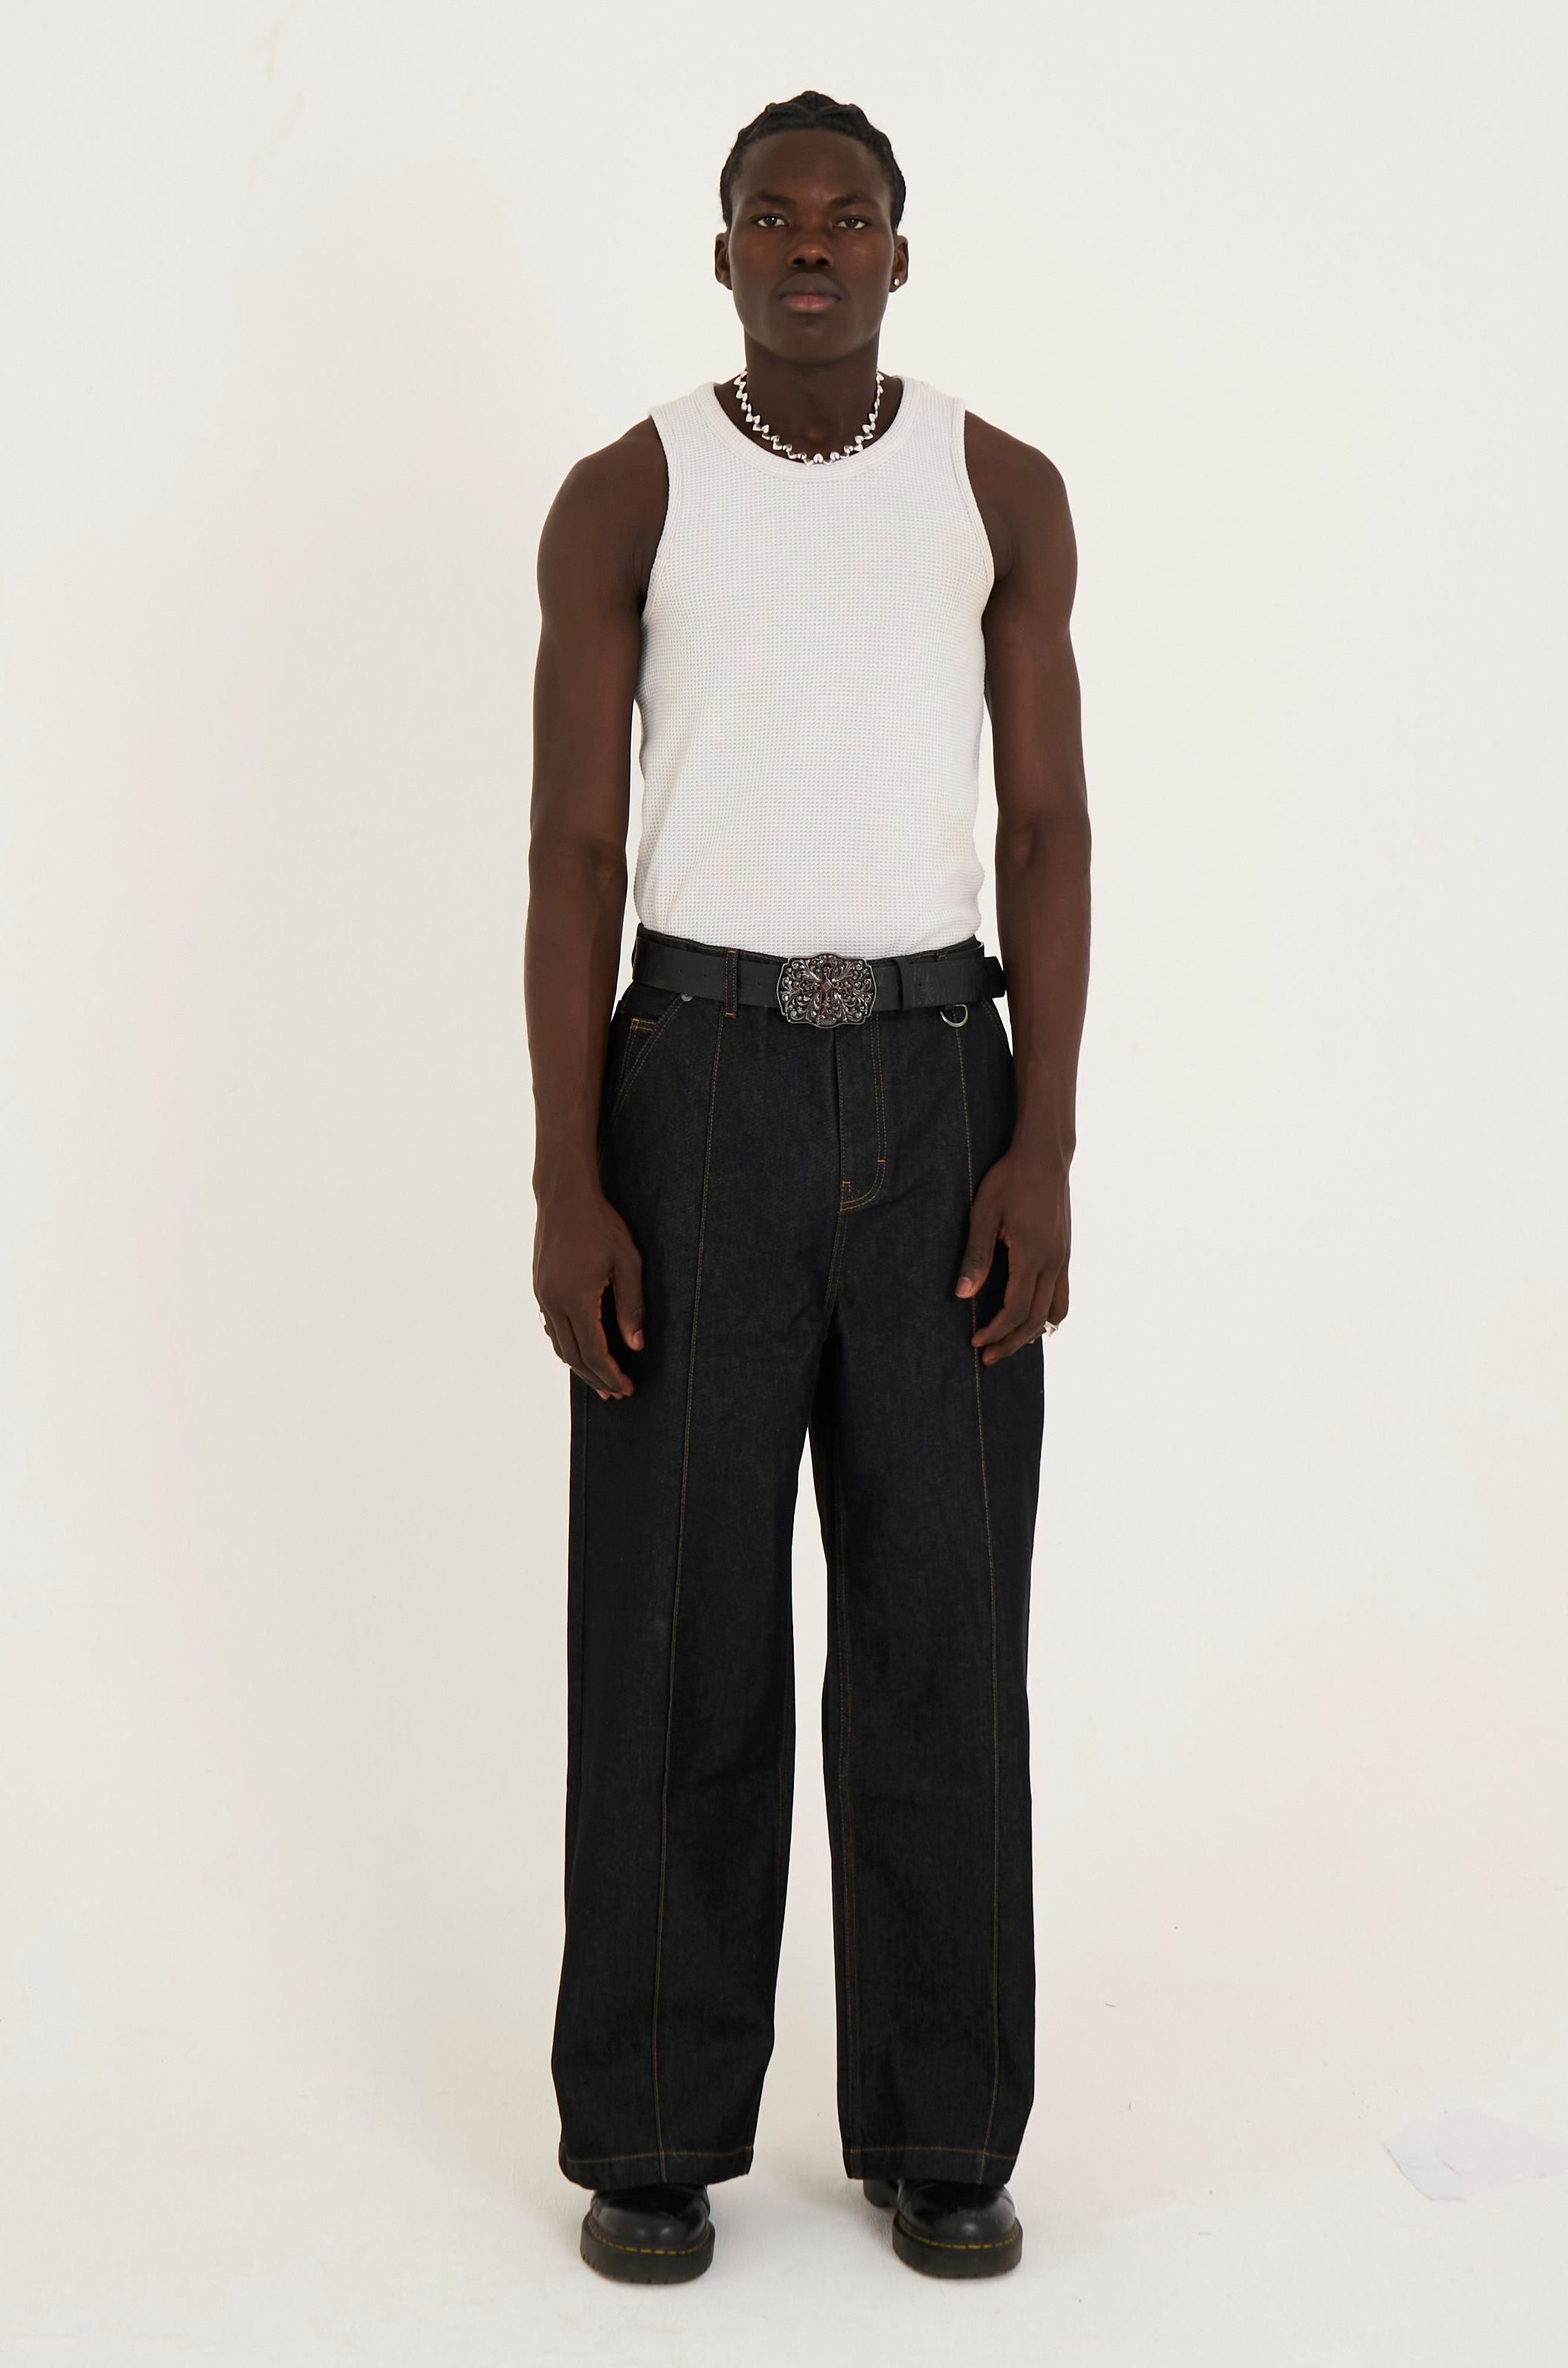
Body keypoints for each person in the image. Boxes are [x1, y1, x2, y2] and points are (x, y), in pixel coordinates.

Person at [524, 88, 1090, 2284]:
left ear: (902, 256)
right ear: (726, 254)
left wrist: (1044, 1140)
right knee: (675, 1626)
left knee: (941, 1624)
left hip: (942, 1080)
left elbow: (1043, 828)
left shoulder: (998, 488)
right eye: (774, 217)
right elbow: (576, 846)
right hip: (696, 1082)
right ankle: (654, 2128)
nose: (813, 248)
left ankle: (945, 2127)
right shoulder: (630, 493)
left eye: (850, 218)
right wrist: (570, 1173)